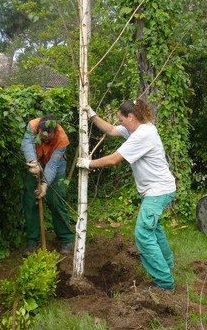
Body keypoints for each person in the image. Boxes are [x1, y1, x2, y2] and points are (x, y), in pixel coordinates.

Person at [77, 100, 177, 292]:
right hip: (160, 188)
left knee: (143, 234)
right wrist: (92, 115)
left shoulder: (143, 135)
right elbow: (112, 131)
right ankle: (167, 263)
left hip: (158, 191)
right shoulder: (139, 128)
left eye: (122, 120)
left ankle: (165, 283)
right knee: (154, 229)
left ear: (131, 117)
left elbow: (114, 159)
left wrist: (88, 163)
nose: (121, 124)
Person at [21, 115, 74, 256]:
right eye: (42, 138)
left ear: (54, 132)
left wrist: (44, 185)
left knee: (55, 199)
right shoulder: (32, 126)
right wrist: (32, 162)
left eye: (48, 139)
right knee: (31, 199)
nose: (45, 140)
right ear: (38, 130)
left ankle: (66, 238)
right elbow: (27, 143)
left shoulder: (62, 138)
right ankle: (33, 242)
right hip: (36, 163)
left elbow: (52, 165)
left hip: (56, 166)